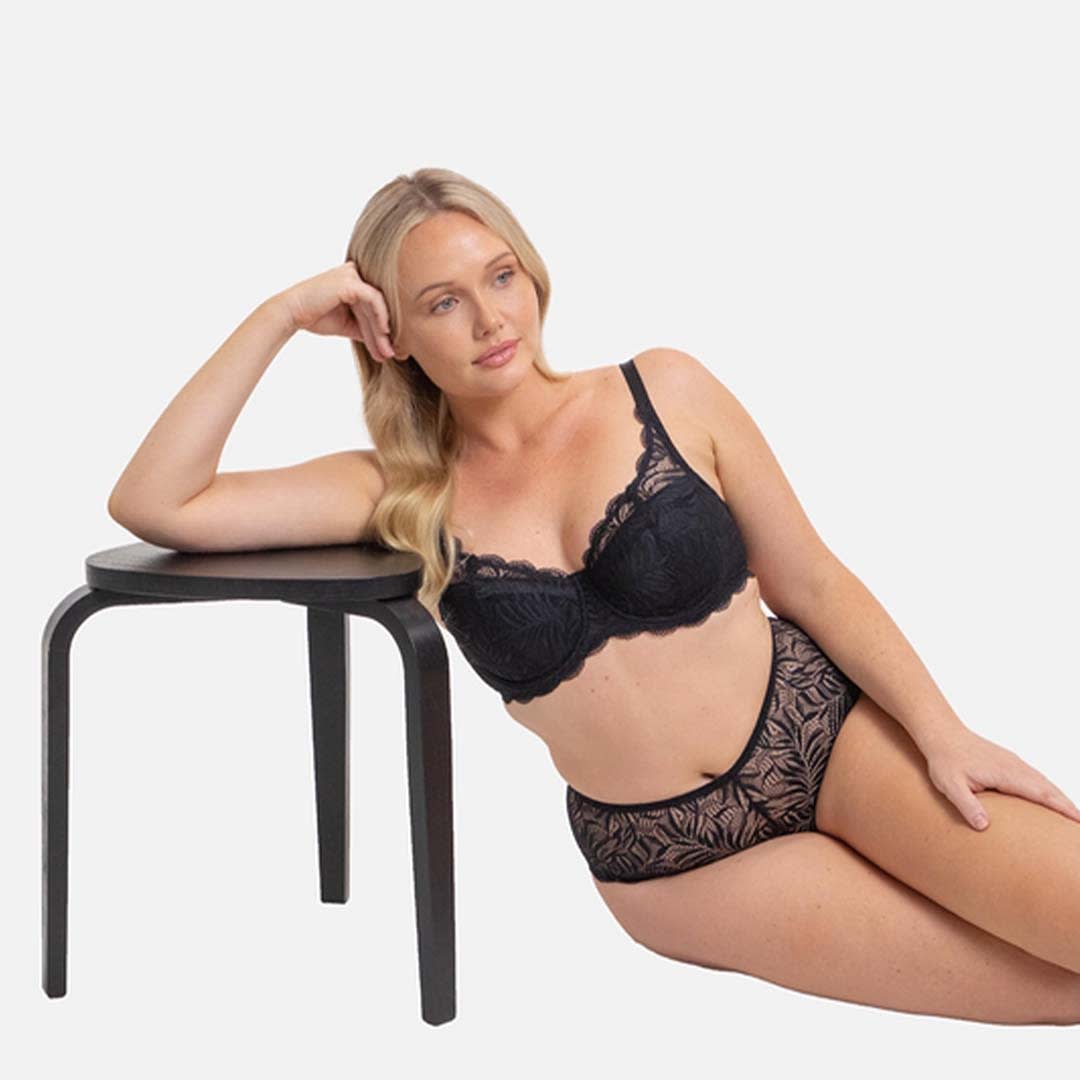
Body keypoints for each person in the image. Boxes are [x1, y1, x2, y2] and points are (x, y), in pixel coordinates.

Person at [108, 167, 1080, 1026]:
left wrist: (941, 731)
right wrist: (283, 313)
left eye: (501, 277)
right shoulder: (394, 493)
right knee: (1060, 997)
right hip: (675, 860)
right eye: (443, 302)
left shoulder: (665, 389)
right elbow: (156, 500)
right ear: (388, 333)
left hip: (824, 739)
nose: (491, 320)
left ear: (532, 275)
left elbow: (811, 579)